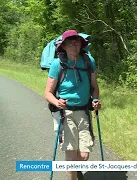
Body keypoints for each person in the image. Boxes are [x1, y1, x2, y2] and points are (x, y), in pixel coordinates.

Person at [44, 29, 101, 180]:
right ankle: (73, 176)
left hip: (83, 112)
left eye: (76, 43)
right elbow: (47, 93)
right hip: (65, 113)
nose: (73, 47)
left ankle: (76, 171)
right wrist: (57, 102)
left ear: (81, 45)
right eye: (69, 44)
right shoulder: (57, 64)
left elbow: (95, 87)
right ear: (63, 46)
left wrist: (95, 100)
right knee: (70, 154)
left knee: (83, 155)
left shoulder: (89, 61)